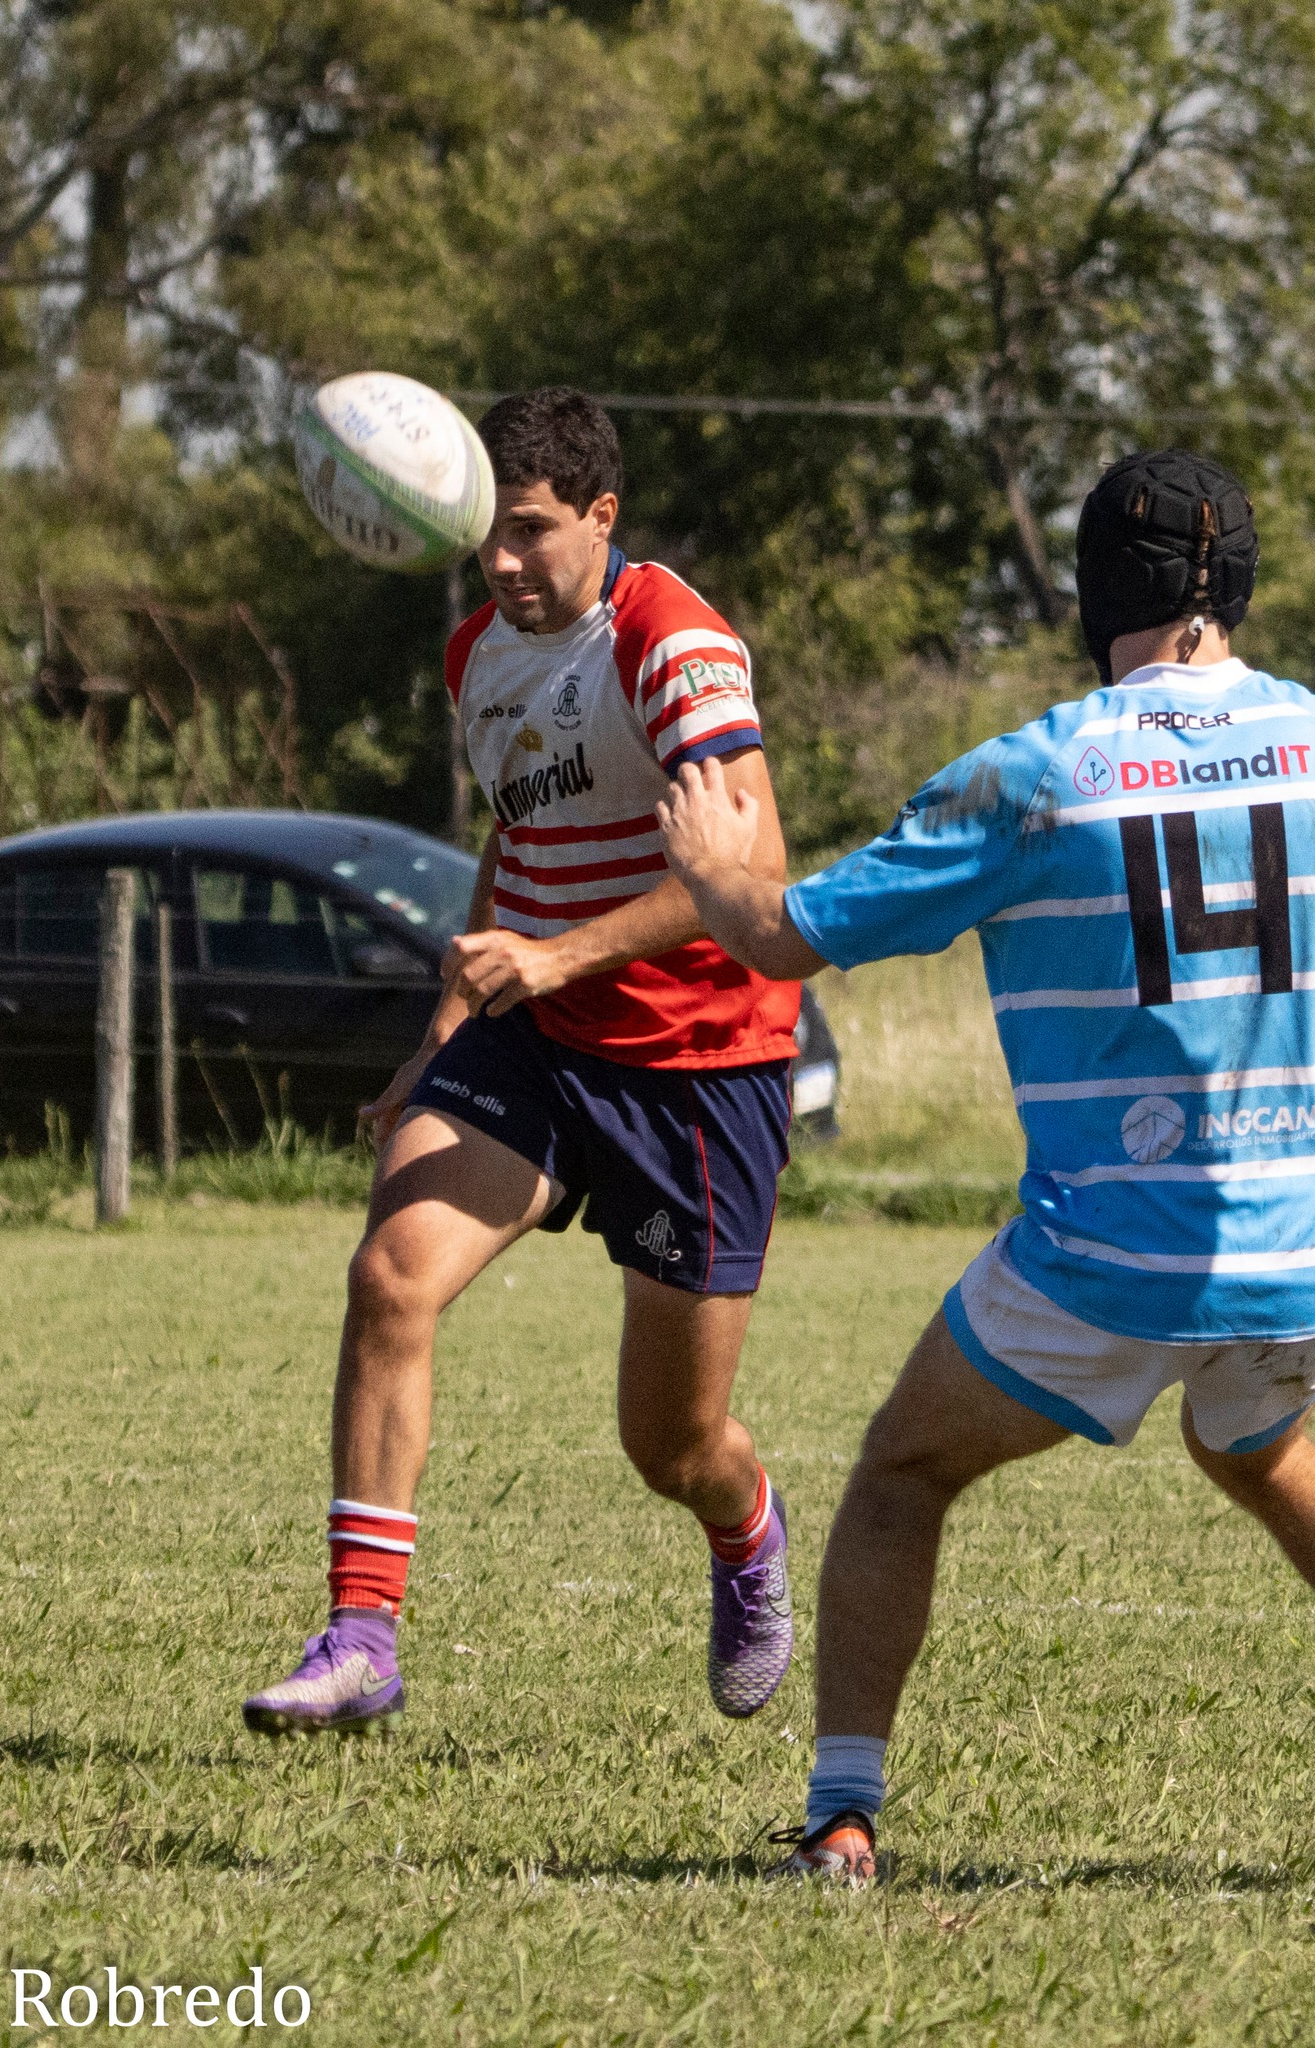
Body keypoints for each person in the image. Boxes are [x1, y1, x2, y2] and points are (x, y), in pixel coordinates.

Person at [655, 449, 1315, 1880]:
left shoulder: (1029, 778)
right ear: (1240, 592)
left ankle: (841, 1819)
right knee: (1254, 1443)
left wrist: (714, 871)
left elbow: (781, 937)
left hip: (1110, 1261)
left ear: (1095, 592)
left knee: (900, 1472)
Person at [244, 387, 801, 1736]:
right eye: (490, 532)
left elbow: (757, 873)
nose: (503, 561)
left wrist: (556, 956)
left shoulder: (672, 639)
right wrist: (444, 1032)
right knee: (390, 1277)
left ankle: (749, 1533)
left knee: (668, 1446)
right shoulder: (475, 655)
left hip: (697, 1066)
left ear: (603, 518)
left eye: (536, 533)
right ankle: (363, 1637)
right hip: (540, 1044)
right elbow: (518, 845)